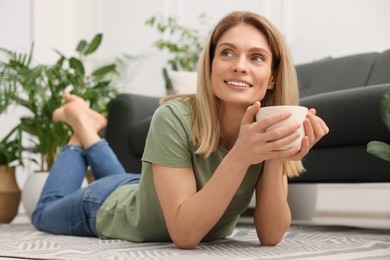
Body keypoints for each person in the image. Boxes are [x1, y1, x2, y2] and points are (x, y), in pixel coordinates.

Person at [32, 11, 329, 249]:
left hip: (145, 189)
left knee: (131, 185)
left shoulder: (264, 129)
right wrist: (240, 156)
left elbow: (270, 236)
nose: (240, 66)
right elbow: (185, 236)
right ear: (211, 64)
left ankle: (88, 127)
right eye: (227, 53)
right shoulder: (173, 117)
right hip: (105, 206)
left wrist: (276, 153)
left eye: (256, 57)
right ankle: (79, 123)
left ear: (273, 76)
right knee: (43, 213)